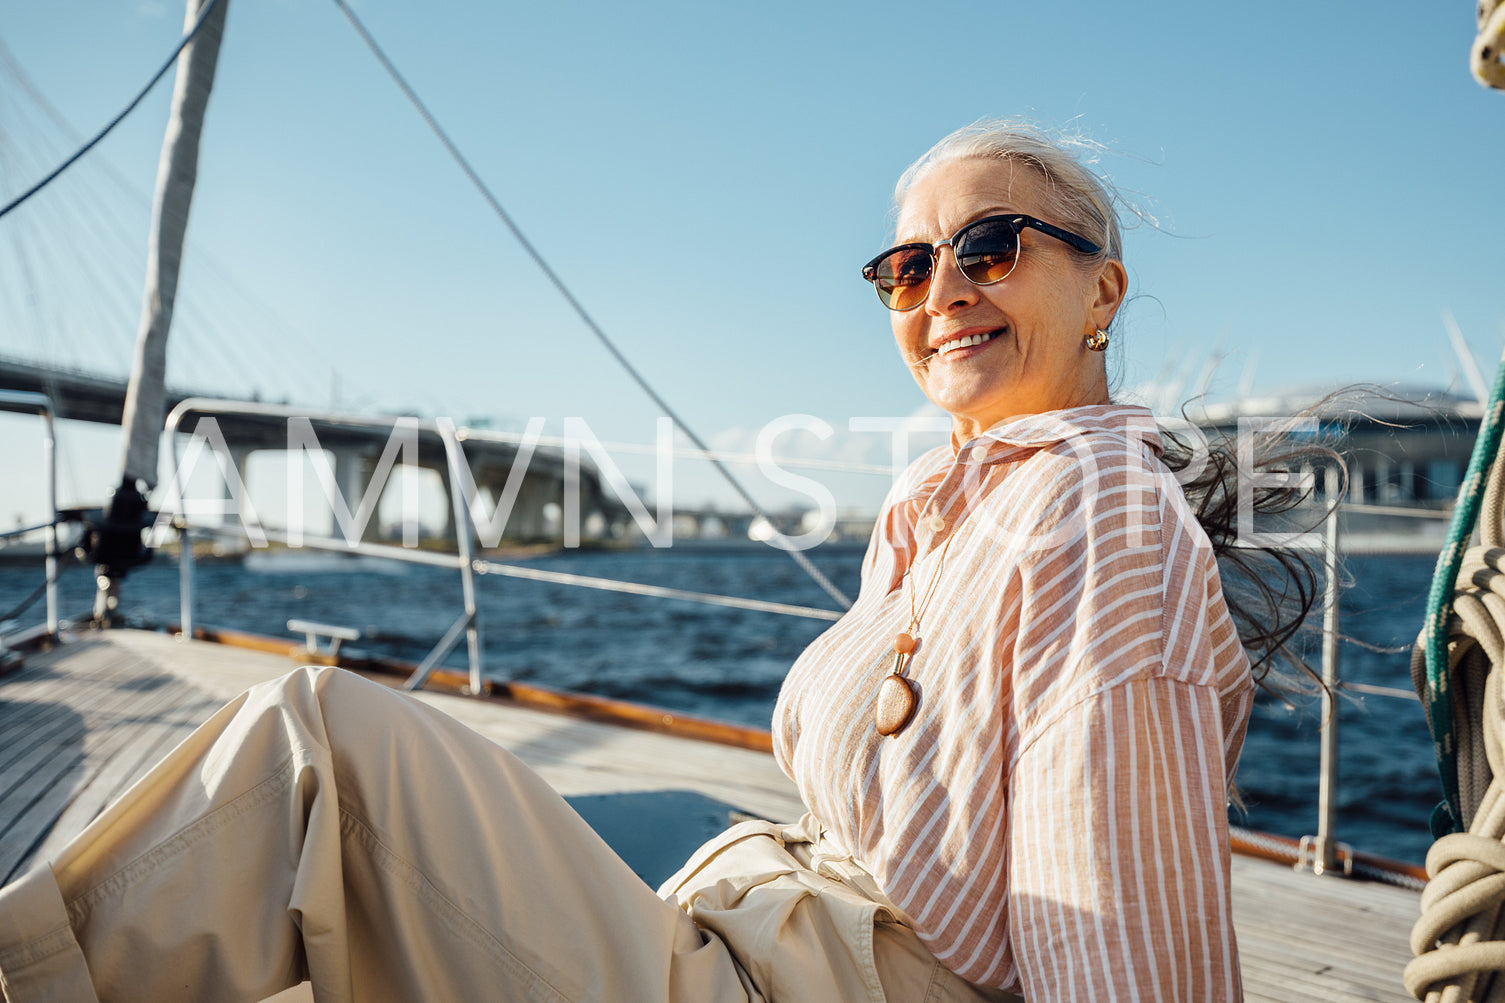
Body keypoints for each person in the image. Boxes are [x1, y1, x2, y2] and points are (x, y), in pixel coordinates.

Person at [0, 120, 1281, 1002]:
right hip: (740, 936)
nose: (940, 286)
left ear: (1100, 291)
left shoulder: (1096, 518)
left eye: (989, 244)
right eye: (904, 266)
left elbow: (1121, 947)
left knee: (316, 750)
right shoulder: (931, 505)